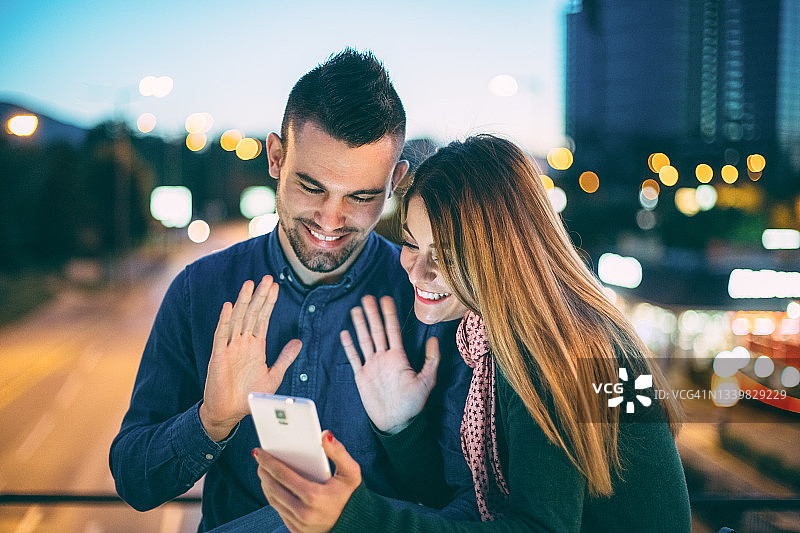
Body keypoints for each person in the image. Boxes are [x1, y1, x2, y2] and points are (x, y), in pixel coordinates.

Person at [109, 49, 476, 532]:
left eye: (361, 197)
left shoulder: (430, 302)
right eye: (312, 187)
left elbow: (460, 503)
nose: (330, 219)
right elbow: (135, 483)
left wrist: (404, 434)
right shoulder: (200, 291)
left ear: (396, 184)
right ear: (276, 158)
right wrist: (210, 422)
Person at [253, 134, 692, 532]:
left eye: (445, 255)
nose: (418, 272)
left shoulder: (557, 350)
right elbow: (454, 502)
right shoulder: (485, 337)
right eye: (410, 243)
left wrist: (358, 517)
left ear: (498, 252)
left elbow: (541, 529)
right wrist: (401, 425)